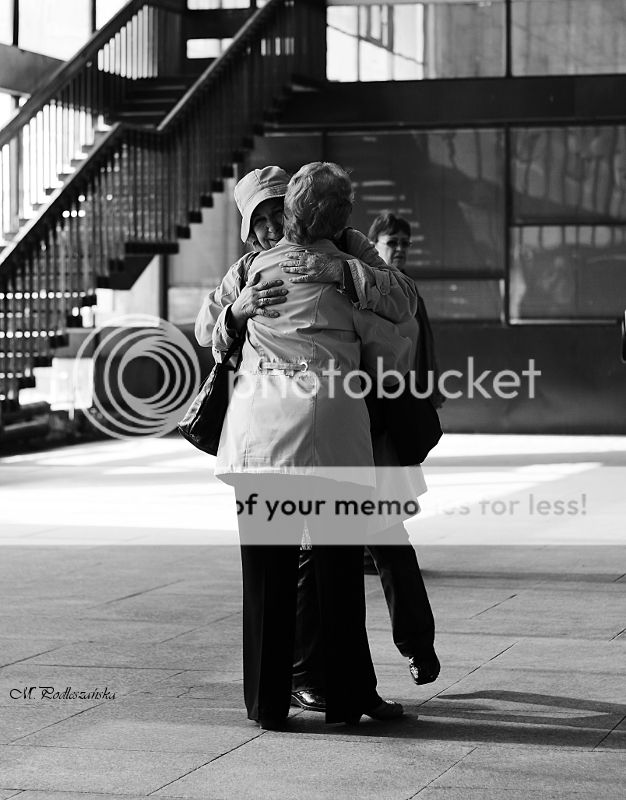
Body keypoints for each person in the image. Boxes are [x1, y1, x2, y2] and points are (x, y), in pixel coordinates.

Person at [196, 164, 413, 730]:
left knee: (266, 578)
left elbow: (211, 339)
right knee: (338, 575)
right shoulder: (313, 272)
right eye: (259, 220)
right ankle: (345, 699)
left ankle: (268, 705)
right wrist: (238, 311)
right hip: (331, 436)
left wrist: (251, 312)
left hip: (259, 440)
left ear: (291, 210)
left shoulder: (294, 263)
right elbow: (394, 336)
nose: (269, 227)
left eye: (277, 213)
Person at [291, 211, 441, 715]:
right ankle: (310, 672)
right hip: (328, 434)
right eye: (389, 241)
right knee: (320, 557)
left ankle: (415, 645)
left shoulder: (371, 273)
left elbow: (410, 340)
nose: (397, 248)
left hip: (372, 431)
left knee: (388, 541)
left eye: (403, 241)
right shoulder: (295, 267)